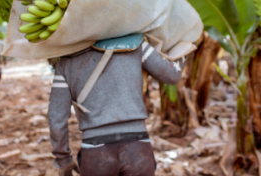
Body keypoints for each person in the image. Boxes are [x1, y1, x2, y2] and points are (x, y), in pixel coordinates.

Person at [48, 37, 187, 176]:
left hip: (95, 153)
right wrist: (184, 48)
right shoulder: (136, 45)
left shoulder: (66, 63)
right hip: (138, 149)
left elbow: (56, 118)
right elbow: (172, 75)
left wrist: (63, 159)